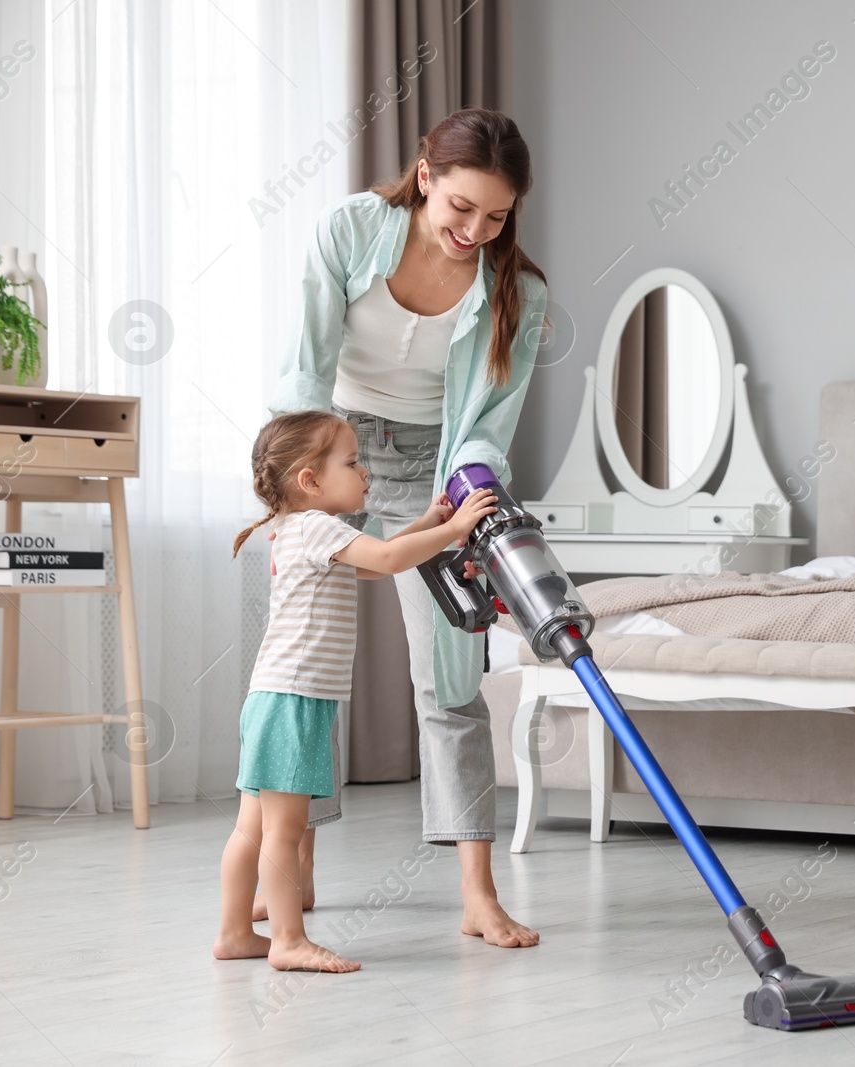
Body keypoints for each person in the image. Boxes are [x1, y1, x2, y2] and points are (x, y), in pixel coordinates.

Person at [264, 108, 547, 947]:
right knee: (303, 667)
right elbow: (303, 367)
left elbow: (490, 423)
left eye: (496, 216)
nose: (474, 231)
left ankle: (476, 890)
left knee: (452, 676)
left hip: (441, 466)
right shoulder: (351, 230)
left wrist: (470, 506)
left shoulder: (518, 293)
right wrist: (293, 497)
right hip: (331, 447)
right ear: (426, 175)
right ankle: (296, 860)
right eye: (460, 207)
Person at [215, 410, 497, 971]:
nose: (366, 472)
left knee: (252, 826)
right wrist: (457, 526)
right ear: (310, 481)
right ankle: (289, 942)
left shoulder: (301, 529)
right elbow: (388, 559)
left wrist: (426, 523)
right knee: (283, 829)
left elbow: (377, 566)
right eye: (351, 462)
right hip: (295, 701)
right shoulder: (319, 527)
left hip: (272, 698)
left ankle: (233, 932)